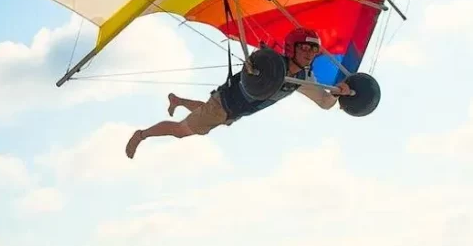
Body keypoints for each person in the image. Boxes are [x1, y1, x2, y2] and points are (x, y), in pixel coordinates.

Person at [125, 27, 352, 158]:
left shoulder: (301, 78)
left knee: (207, 111)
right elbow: (254, 63)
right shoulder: (272, 65)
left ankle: (177, 100)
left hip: (231, 110)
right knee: (181, 130)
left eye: (313, 49)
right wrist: (259, 58)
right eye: (304, 47)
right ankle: (141, 134)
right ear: (292, 47)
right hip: (224, 105)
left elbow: (324, 101)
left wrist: (338, 93)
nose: (309, 53)